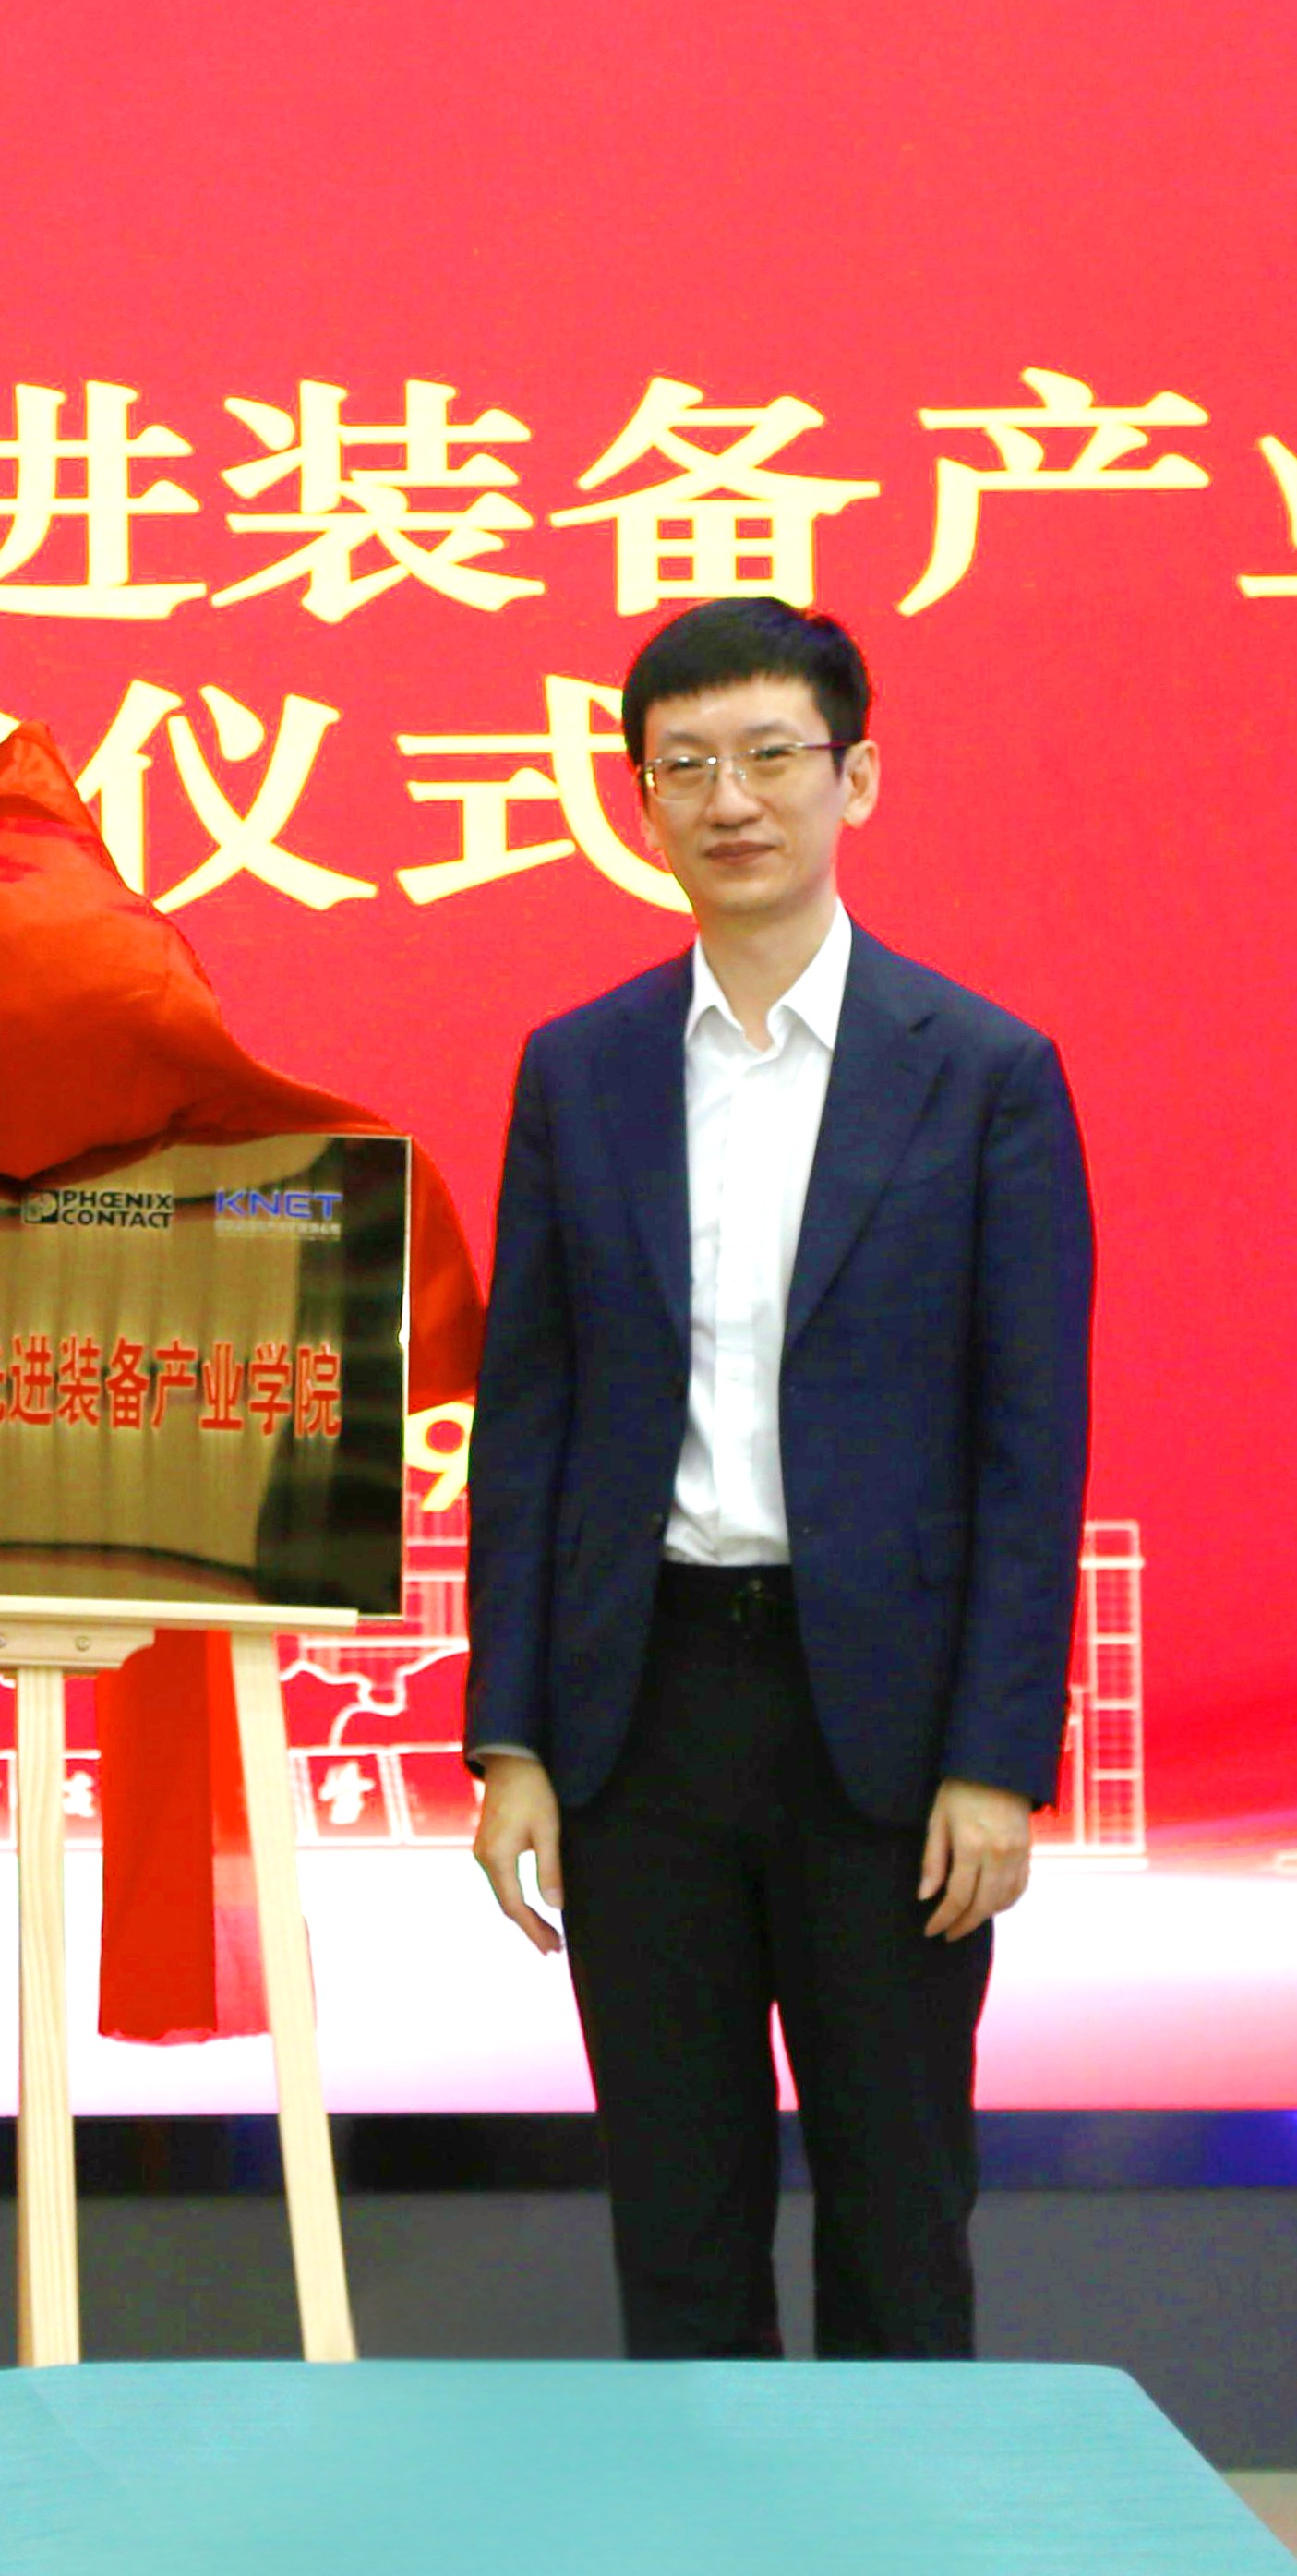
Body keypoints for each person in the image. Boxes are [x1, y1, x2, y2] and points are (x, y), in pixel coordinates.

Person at [462, 596, 1092, 2362]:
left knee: (898, 2207)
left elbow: (1027, 1449)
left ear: (853, 778)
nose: (729, 800)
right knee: (676, 2212)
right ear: (639, 800)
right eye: (684, 766)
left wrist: (993, 1760)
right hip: (642, 1715)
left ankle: (893, 2516)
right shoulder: (579, 1069)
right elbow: (529, 1424)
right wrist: (511, 1740)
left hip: (880, 1735)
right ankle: (700, 2513)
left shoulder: (981, 1074)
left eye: (768, 757)